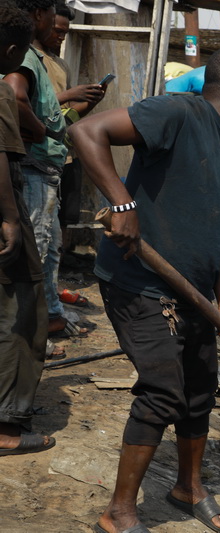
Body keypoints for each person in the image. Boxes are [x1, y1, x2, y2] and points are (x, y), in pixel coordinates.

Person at [70, 48, 220, 533]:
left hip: (196, 293)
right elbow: (85, 131)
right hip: (141, 283)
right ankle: (119, 512)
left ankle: (188, 487)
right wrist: (122, 202)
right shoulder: (179, 112)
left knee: (199, 391)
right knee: (163, 392)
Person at [0, 2, 56, 458]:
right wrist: (10, 218)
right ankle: (5, 425)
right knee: (22, 309)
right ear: (12, 49)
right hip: (6, 203)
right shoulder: (3, 88)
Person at [3, 0, 75, 337]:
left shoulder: (36, 58)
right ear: (38, 15)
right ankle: (26, 334)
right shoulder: (27, 58)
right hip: (34, 170)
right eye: (51, 18)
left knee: (47, 250)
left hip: (43, 170)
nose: (54, 26)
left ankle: (45, 320)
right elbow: (16, 98)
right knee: (35, 251)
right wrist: (39, 129)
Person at [43, 2, 106, 238]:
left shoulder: (61, 65)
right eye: (57, 31)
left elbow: (69, 114)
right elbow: (29, 103)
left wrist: (92, 99)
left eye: (65, 33)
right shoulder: (29, 60)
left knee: (64, 216)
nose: (60, 37)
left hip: (64, 151)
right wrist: (70, 94)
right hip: (39, 150)